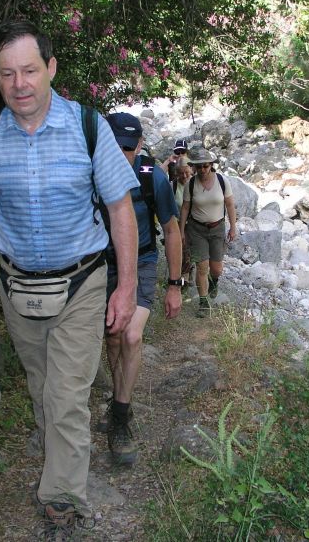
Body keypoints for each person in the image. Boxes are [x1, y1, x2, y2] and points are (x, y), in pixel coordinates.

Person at [0, 20, 140, 539]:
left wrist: (125, 287)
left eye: (30, 70)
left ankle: (61, 502)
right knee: (42, 387)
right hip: (17, 288)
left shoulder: (88, 127)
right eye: (7, 73)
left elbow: (120, 208)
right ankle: (56, 446)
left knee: (68, 395)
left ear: (51, 68)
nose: (20, 84)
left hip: (82, 283)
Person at [101, 113, 183, 464]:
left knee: (132, 335)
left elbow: (172, 229)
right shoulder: (92, 171)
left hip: (143, 261)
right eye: (115, 146)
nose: (122, 155)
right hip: (104, 264)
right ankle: (118, 397)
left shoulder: (152, 176)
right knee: (113, 337)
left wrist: (175, 285)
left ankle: (121, 416)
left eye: (128, 147)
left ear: (139, 145)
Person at [179, 148, 237, 317]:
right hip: (196, 230)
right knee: (201, 267)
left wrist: (233, 227)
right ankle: (203, 303)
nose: (202, 170)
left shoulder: (222, 181)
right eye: (199, 167)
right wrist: (181, 231)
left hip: (217, 229)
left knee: (216, 268)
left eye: (205, 166)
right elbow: (185, 208)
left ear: (211, 165)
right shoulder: (191, 184)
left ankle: (214, 281)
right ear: (194, 167)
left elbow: (230, 205)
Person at [172, 157, 194, 286]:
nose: (184, 176)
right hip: (178, 222)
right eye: (181, 173)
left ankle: (187, 275)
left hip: (195, 223)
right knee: (183, 248)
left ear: (191, 170)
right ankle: (183, 277)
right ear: (176, 173)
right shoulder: (173, 186)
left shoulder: (196, 183)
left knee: (190, 251)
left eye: (186, 172)